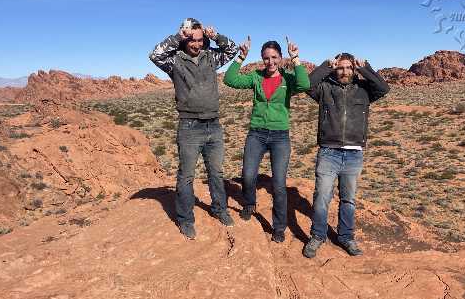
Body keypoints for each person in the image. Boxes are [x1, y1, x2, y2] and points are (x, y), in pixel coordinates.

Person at [149, 18, 239, 239]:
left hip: (213, 124)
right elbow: (155, 55)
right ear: (185, 39)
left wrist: (216, 37)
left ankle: (219, 209)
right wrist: (177, 37)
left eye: (200, 40)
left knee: (216, 172)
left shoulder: (211, 57)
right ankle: (185, 219)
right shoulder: (175, 60)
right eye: (192, 40)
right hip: (189, 126)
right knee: (187, 176)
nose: (197, 44)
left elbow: (232, 49)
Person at [223, 36, 310, 243]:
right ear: (262, 59)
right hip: (257, 133)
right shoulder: (256, 77)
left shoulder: (288, 79)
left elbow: (305, 84)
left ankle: (278, 227)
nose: (270, 62)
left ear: (280, 57)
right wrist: (241, 57)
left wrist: (295, 59)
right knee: (248, 175)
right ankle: (249, 203)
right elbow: (230, 80)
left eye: (274, 57)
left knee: (278, 184)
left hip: (280, 136)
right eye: (266, 58)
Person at [302, 53, 390, 258]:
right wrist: (325, 66)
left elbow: (383, 88)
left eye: (349, 68)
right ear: (335, 69)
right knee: (322, 197)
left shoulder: (364, 89)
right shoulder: (325, 88)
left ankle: (346, 237)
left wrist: (365, 68)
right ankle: (318, 236)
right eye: (340, 68)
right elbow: (306, 85)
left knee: (348, 199)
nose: (345, 71)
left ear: (354, 69)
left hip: (353, 153)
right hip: (328, 151)